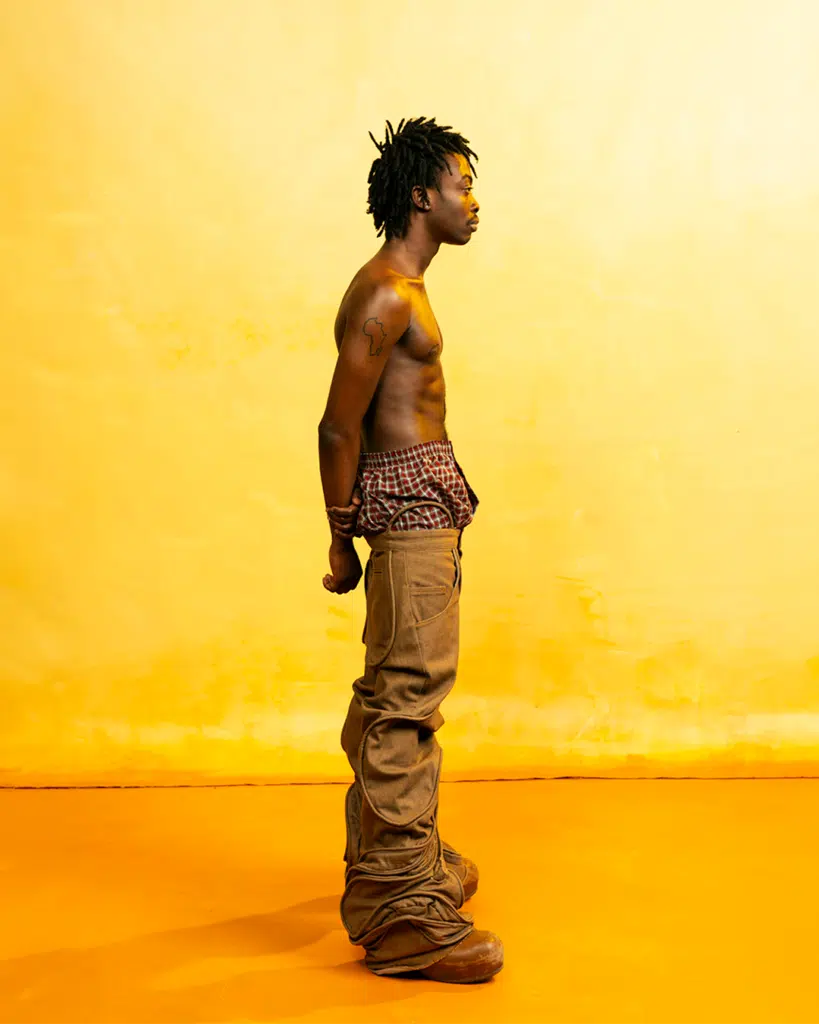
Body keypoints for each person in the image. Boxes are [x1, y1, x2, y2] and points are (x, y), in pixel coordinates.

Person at [317, 117, 503, 984]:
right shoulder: (388, 293)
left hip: (424, 502)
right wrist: (340, 534)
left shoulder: (405, 289)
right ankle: (398, 914)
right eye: (464, 186)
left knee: (402, 686)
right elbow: (335, 425)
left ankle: (408, 865)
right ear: (423, 196)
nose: (475, 201)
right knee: (403, 695)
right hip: (404, 509)